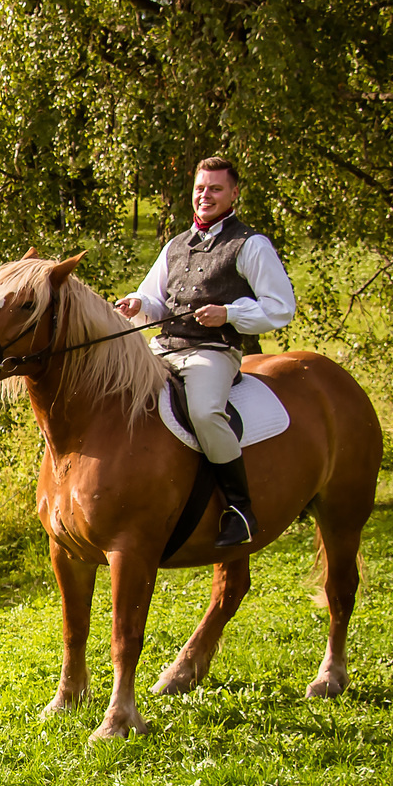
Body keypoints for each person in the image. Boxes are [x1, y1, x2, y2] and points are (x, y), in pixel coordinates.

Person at [115, 157, 297, 549]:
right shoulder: (176, 244)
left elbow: (280, 306)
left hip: (212, 352)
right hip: (163, 347)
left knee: (204, 412)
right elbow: (156, 298)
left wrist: (228, 313)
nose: (205, 195)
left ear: (233, 194)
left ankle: (240, 509)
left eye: (215, 189)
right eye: (200, 188)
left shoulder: (250, 245)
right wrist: (137, 304)